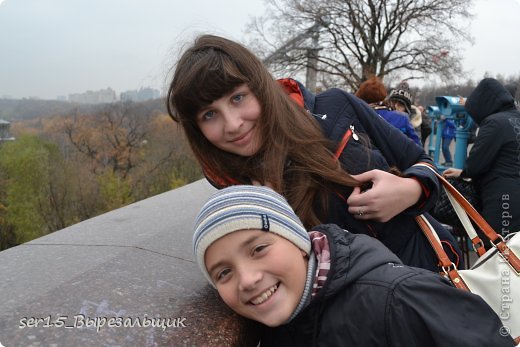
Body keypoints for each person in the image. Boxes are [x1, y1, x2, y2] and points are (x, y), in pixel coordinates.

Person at [167, 34, 462, 272]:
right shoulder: (236, 194)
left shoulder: (336, 107)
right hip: (365, 323)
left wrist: (410, 190)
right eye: (209, 115)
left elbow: (423, 162)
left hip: (434, 272)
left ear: (261, 87)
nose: (232, 124)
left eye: (238, 97)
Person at [193, 185, 515, 347]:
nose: (247, 279)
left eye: (259, 248)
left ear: (300, 242)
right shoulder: (289, 320)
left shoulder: (395, 299)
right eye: (224, 272)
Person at [444, 78, 520, 237]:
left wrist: (463, 172)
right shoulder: (515, 118)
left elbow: (475, 165)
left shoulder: (494, 123)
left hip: (503, 198)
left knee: (498, 252)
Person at [355, 76, 421, 145]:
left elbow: (418, 149)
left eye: (401, 105)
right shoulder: (382, 115)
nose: (395, 106)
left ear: (407, 109)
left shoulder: (413, 123)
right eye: (394, 102)